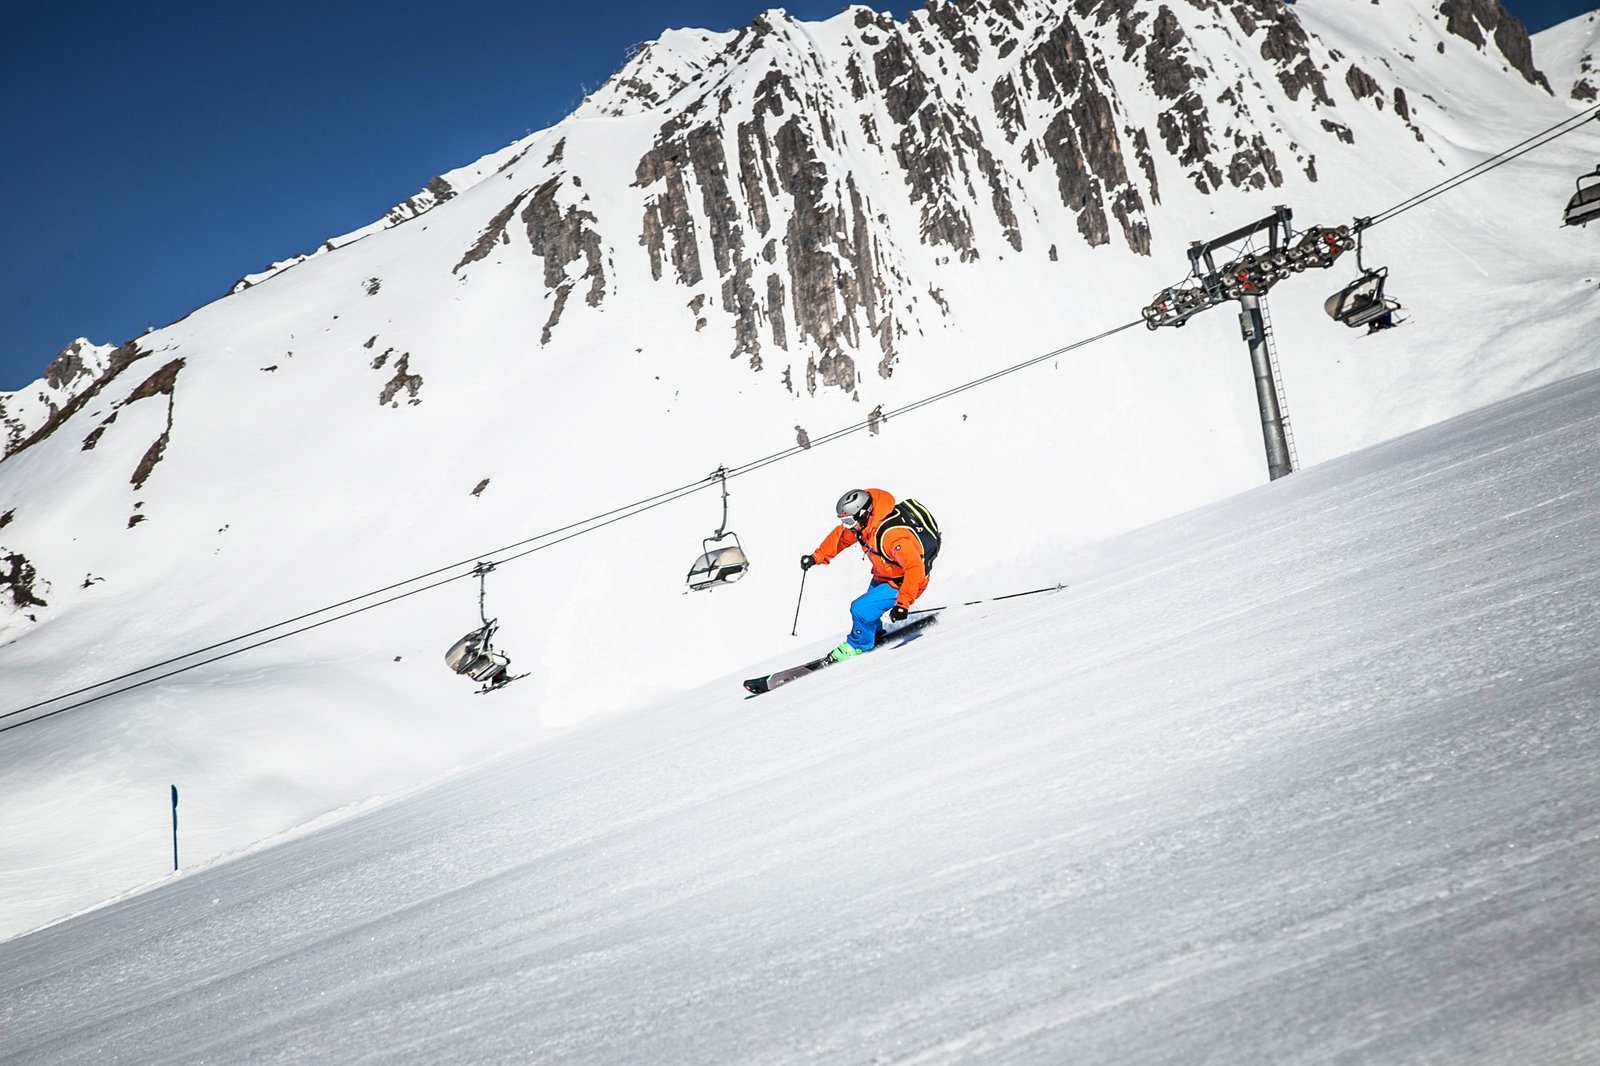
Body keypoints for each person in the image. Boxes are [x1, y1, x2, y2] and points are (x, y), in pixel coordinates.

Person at [801, 488, 931, 661]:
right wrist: (816, 557)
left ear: (863, 514)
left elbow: (914, 568)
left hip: (906, 582)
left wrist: (903, 603)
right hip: (885, 576)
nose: (847, 525)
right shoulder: (864, 526)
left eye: (848, 521)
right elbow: (840, 537)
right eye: (844, 521)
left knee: (860, 609)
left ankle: (858, 644)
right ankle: (874, 632)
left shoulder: (893, 537)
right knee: (869, 605)